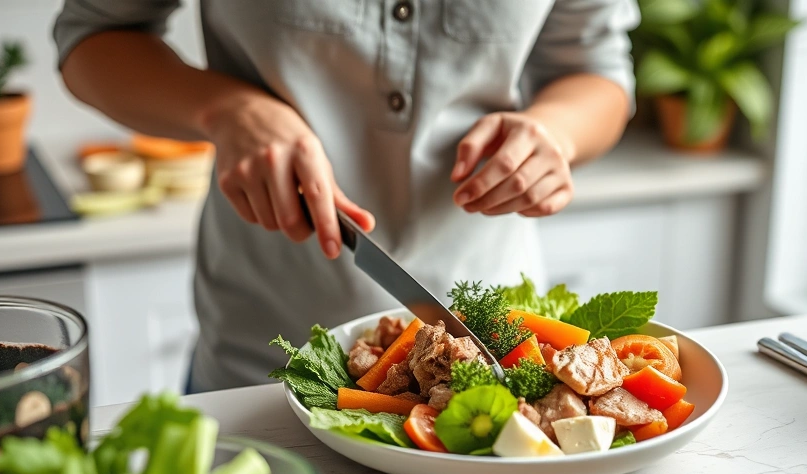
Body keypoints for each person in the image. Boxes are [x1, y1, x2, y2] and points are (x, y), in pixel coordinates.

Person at [53, 1, 639, 394]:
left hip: (497, 344)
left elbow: (598, 71)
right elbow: (93, 36)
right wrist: (229, 111)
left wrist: (556, 132)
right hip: (258, 361)